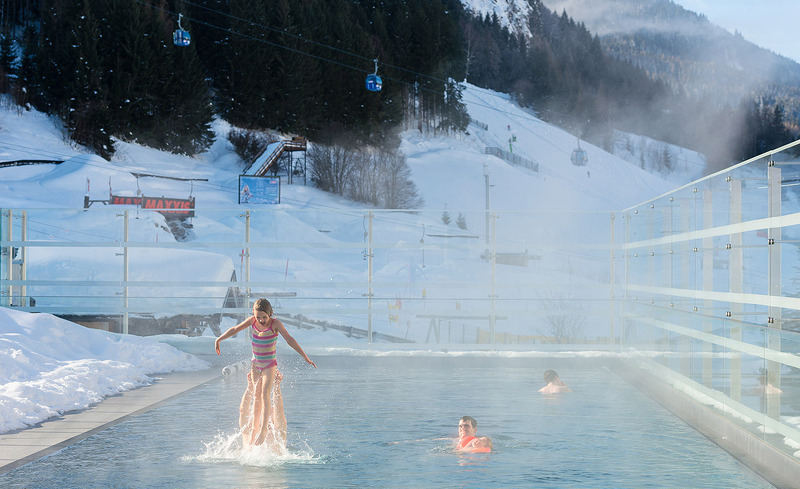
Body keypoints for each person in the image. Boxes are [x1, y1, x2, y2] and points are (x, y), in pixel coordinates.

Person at [215, 298, 316, 448]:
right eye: (258, 317)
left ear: (271, 314)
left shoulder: (276, 324)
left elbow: (289, 339)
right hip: (255, 363)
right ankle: (255, 429)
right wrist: (219, 339)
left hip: (269, 364)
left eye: (264, 317)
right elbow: (235, 329)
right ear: (254, 315)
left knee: (264, 393)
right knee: (256, 396)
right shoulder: (252, 321)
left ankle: (263, 430)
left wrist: (305, 357)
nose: (261, 320)